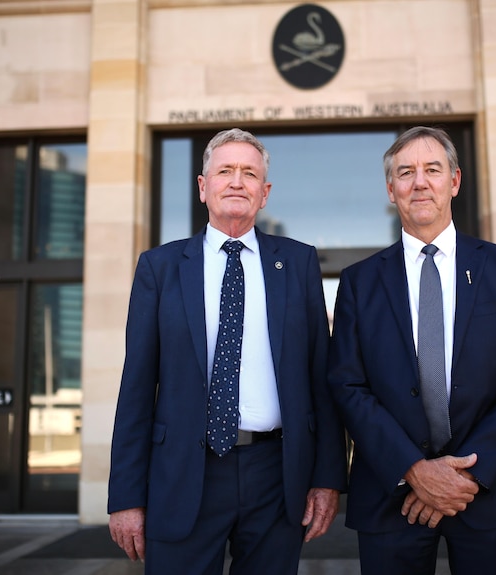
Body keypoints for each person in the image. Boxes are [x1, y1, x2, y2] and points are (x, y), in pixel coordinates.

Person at [108, 128, 347, 575]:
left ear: (265, 192)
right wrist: (125, 497)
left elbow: (321, 377)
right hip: (182, 473)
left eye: (249, 173)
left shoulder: (297, 264)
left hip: (277, 475)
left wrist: (327, 479)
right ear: (203, 187)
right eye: (225, 171)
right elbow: (136, 387)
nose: (237, 181)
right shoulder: (159, 269)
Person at [327, 126, 496, 574]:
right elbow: (348, 384)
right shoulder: (359, 282)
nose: (419, 182)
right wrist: (414, 469)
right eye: (406, 172)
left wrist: (464, 475)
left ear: (454, 181)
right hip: (394, 494)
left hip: (494, 485)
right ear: (391, 190)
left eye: (433, 169)